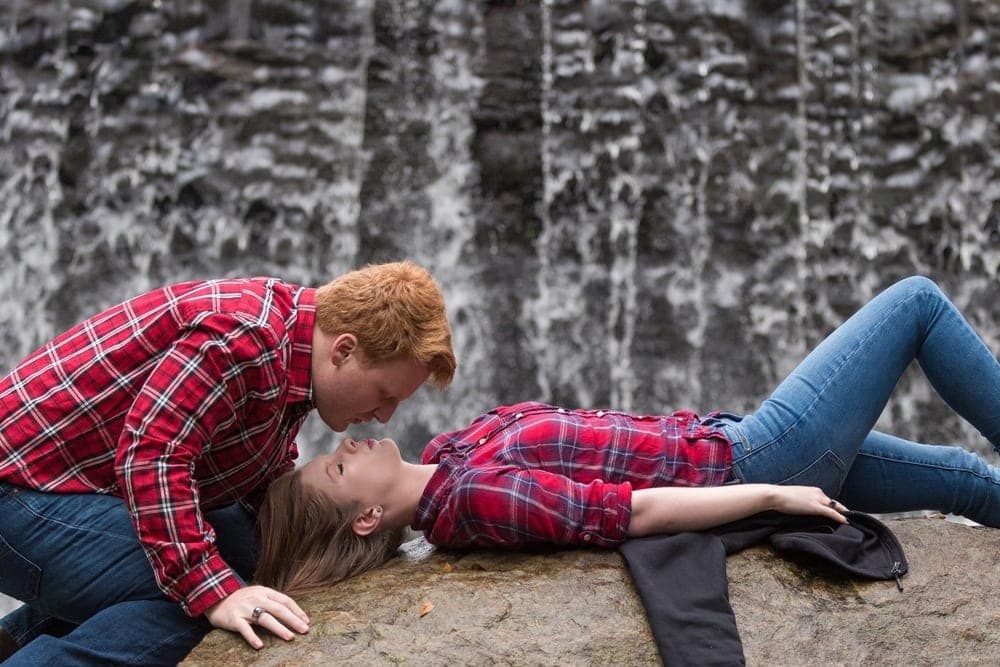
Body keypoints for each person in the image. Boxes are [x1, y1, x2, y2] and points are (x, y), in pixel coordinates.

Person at [254, 275, 1000, 596]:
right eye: (338, 469)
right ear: (366, 518)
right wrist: (770, 489)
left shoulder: (454, 453)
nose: (346, 444)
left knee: (965, 477)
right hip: (757, 456)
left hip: (735, 439)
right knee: (918, 304)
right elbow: (623, 512)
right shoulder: (469, 500)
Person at [0, 260, 457, 665]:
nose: (384, 418)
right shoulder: (245, 338)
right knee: (205, 612)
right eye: (384, 395)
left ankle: (16, 641)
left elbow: (249, 477)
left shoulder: (295, 354)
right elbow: (152, 457)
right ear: (344, 350)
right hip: (17, 492)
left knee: (239, 560)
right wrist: (214, 591)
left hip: (68, 489)